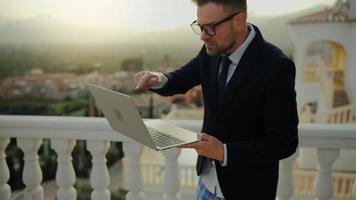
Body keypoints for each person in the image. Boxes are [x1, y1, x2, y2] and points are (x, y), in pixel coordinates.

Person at [133, 0, 299, 199]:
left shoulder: (276, 67)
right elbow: (181, 78)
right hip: (205, 183)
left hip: (246, 191)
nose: (203, 36)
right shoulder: (212, 49)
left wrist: (224, 152)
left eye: (210, 28)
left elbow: (284, 141)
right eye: (201, 27)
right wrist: (158, 79)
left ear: (239, 20)